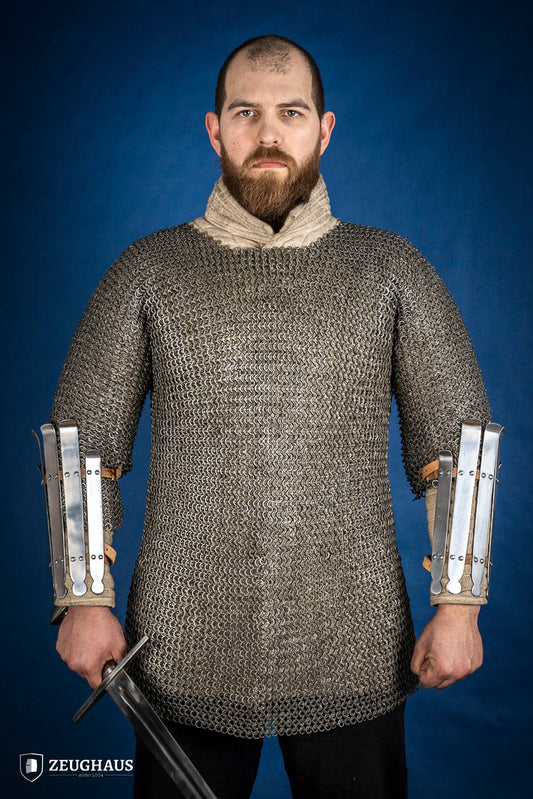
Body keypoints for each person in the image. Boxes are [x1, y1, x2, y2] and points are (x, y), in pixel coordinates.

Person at [48, 35, 498, 798]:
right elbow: (83, 446)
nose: (267, 134)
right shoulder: (149, 272)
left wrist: (459, 606)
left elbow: (456, 444)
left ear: (323, 129)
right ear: (214, 129)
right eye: (244, 112)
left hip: (348, 639)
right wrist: (84, 599)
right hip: (184, 641)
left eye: (290, 113)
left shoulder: (389, 270)